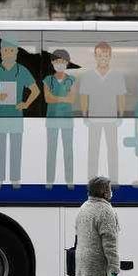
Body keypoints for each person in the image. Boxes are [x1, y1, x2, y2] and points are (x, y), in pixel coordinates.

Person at [0, 39, 40, 189]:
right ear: (1, 52)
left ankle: (15, 179)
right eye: (5, 50)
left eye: (11, 50)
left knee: (16, 148)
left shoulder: (22, 71)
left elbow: (36, 91)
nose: (8, 53)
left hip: (16, 117)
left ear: (16, 52)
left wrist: (25, 104)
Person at [81, 41, 127, 183]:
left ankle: (114, 180)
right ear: (95, 57)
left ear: (110, 57)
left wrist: (121, 115)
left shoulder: (117, 76)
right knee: (93, 151)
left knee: (112, 151)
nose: (103, 58)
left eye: (106, 55)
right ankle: (91, 180)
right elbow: (84, 96)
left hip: (111, 119)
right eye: (100, 55)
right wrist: (85, 115)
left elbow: (121, 97)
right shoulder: (87, 76)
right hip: (94, 119)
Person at [44, 49, 76, 190]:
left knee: (68, 151)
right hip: (52, 120)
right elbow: (47, 98)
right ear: (52, 63)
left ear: (67, 63)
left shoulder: (71, 80)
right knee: (51, 151)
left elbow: (72, 98)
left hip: (67, 120)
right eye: (57, 61)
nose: (59, 64)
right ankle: (49, 180)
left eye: (62, 61)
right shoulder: (48, 80)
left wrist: (56, 98)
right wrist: (63, 98)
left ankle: (69, 180)